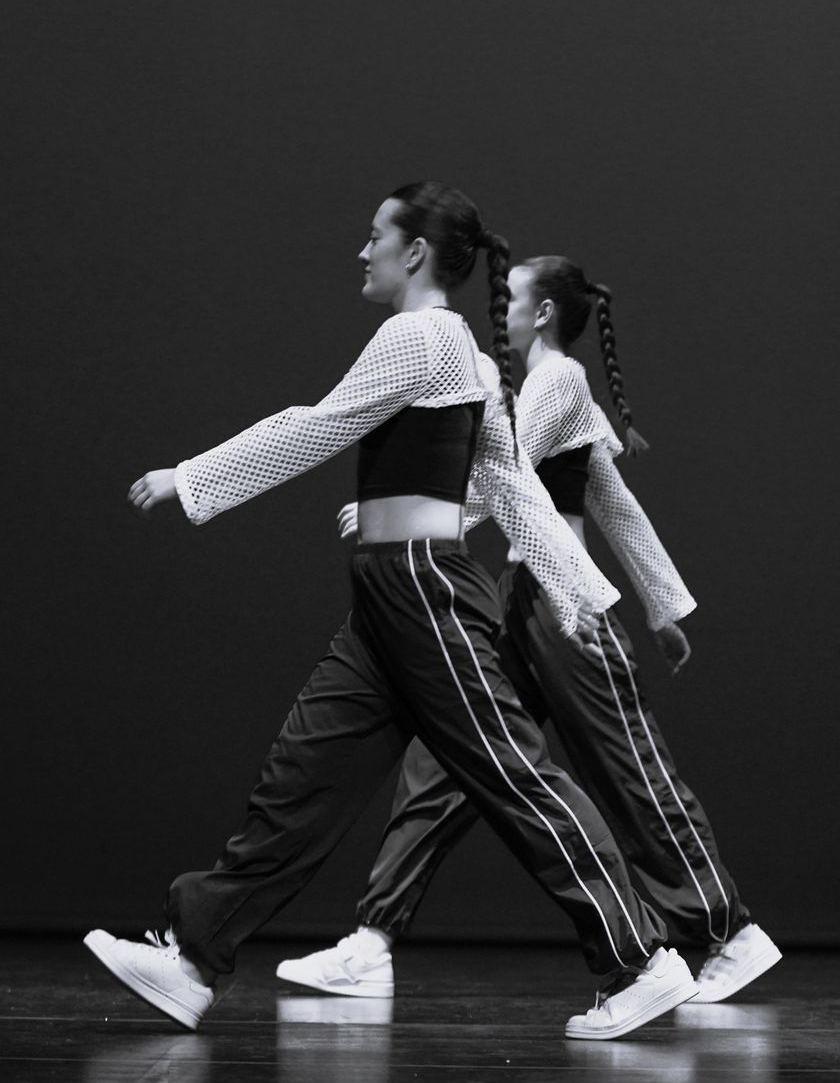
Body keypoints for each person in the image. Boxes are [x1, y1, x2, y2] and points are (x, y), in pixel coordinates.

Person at [86, 183, 698, 1041]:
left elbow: (316, 426)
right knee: (304, 774)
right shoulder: (465, 354)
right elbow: (511, 486)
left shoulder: (420, 336)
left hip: (424, 589)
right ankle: (193, 956)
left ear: (415, 253)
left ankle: (640, 959)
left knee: (514, 774)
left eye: (375, 236)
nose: (361, 250)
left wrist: (191, 477)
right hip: (386, 592)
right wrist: (582, 590)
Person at [275, 255, 779, 1005]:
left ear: (541, 314)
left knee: (626, 771)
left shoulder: (557, 382)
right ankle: (372, 941)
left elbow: (511, 468)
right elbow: (615, 504)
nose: (497, 310)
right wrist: (665, 606)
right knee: (444, 763)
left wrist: (413, 509)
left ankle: (728, 934)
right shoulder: (547, 388)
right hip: (524, 597)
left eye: (508, 299)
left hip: (564, 603)